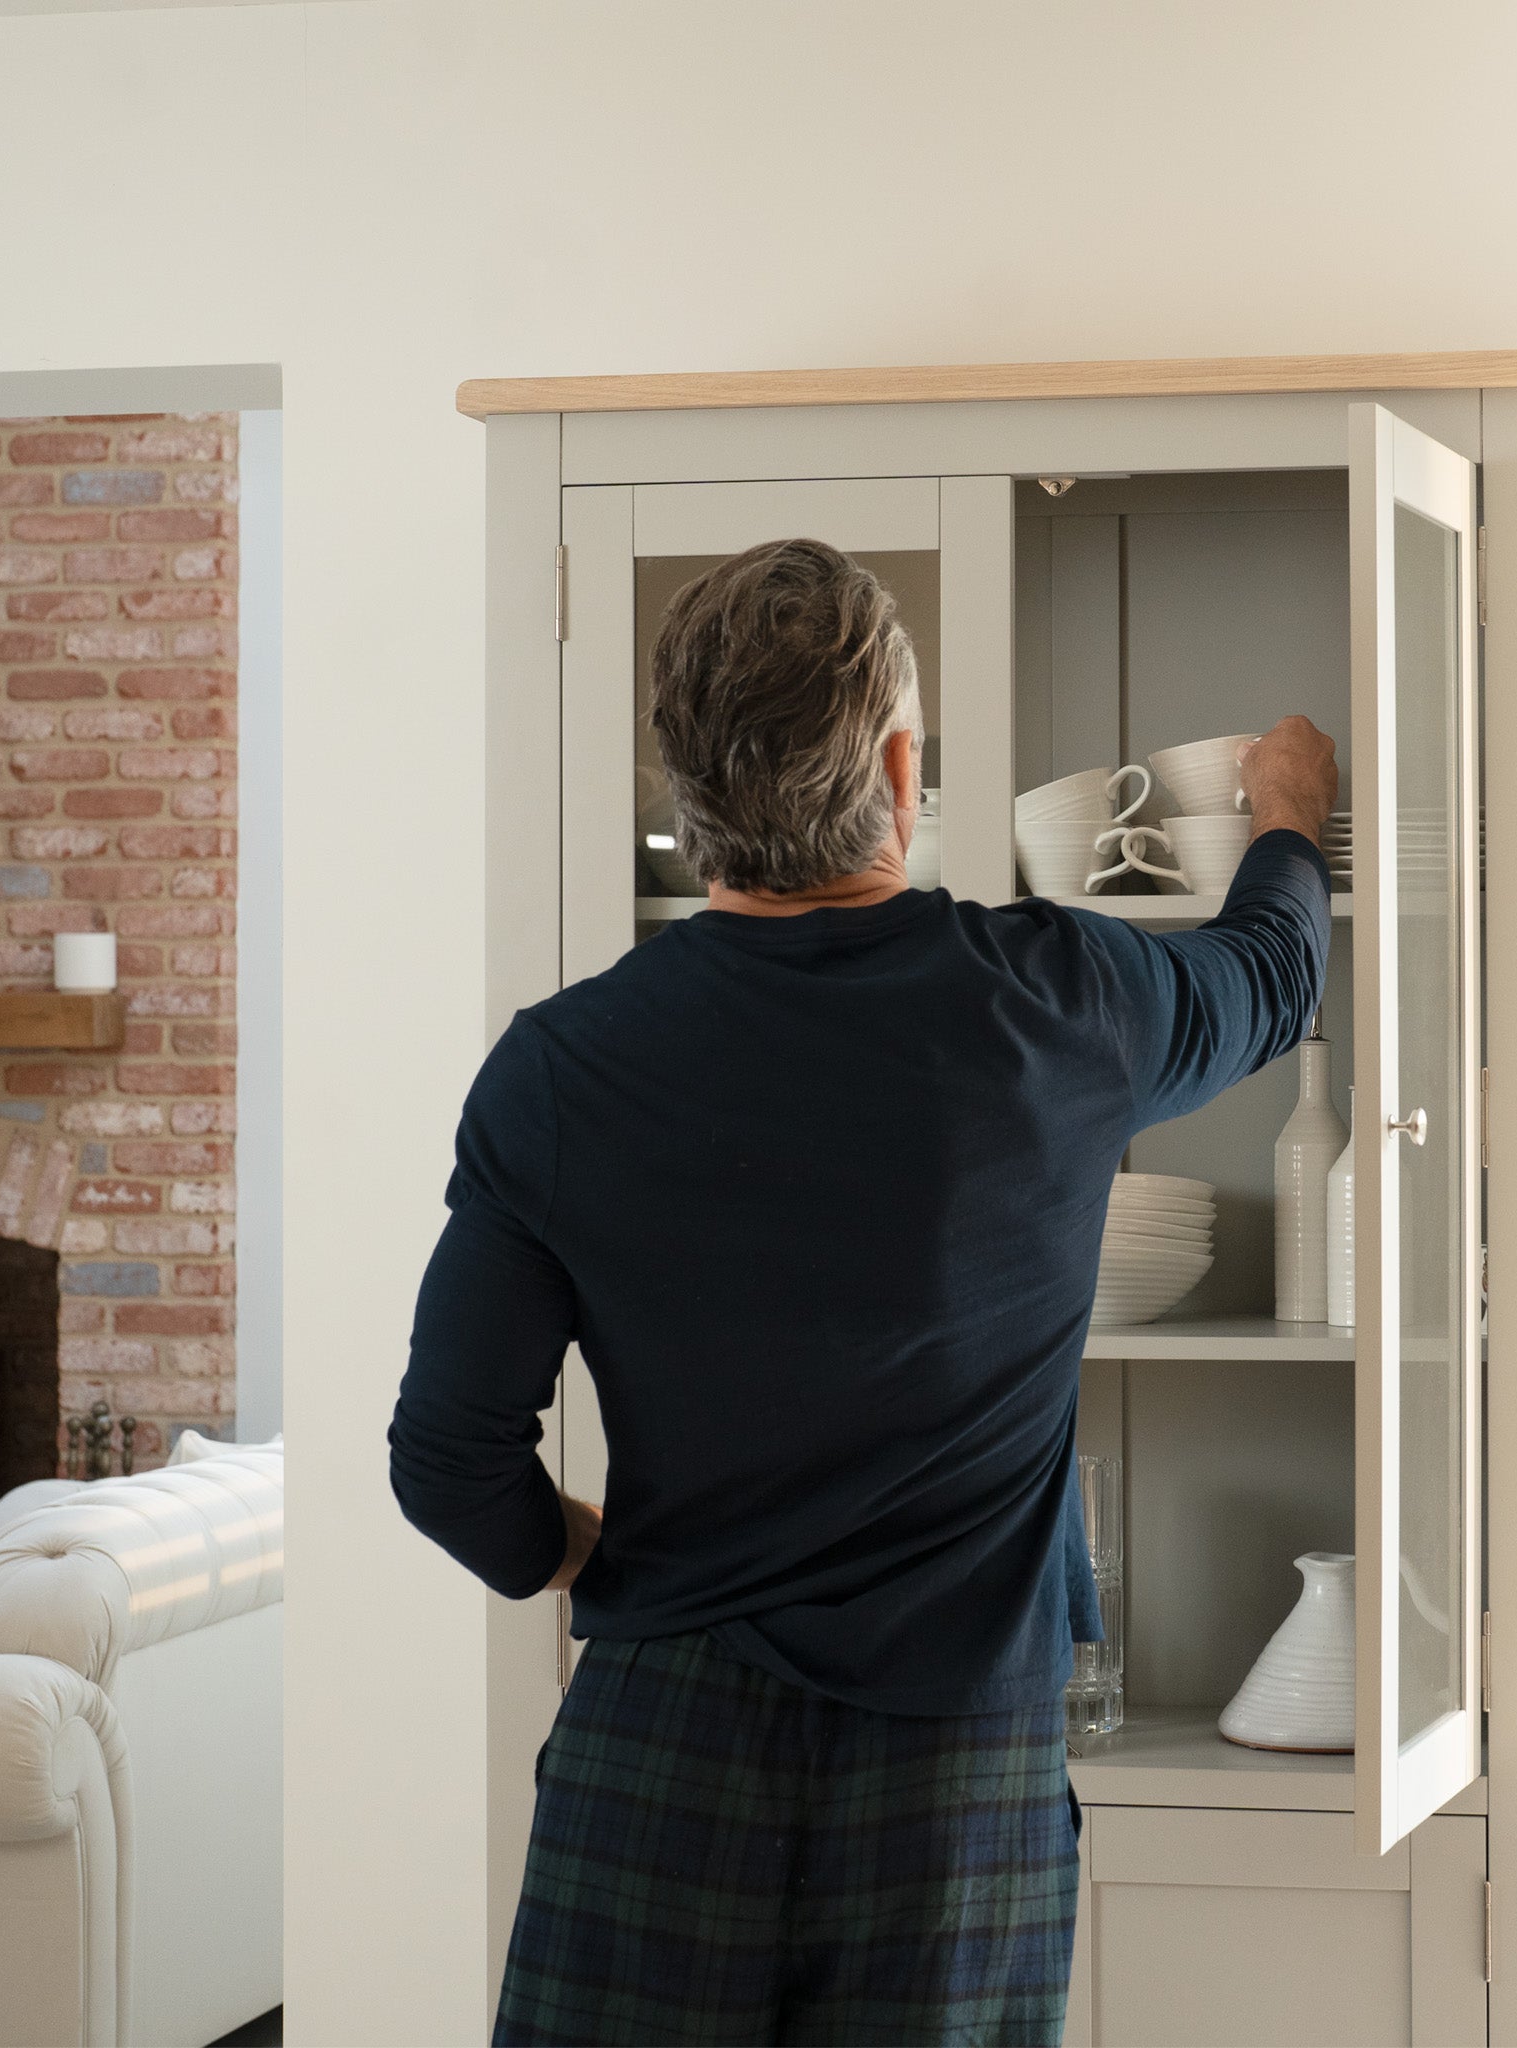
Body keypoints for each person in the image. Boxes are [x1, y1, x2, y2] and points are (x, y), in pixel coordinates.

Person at [389, 537, 1338, 2047]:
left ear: (688, 793)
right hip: (957, 1777)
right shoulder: (1062, 1005)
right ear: (902, 767)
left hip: (661, 1740)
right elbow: (1279, 971)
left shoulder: (562, 1070)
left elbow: (447, 1463)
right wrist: (1288, 814)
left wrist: (590, 1560)